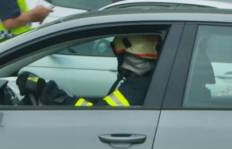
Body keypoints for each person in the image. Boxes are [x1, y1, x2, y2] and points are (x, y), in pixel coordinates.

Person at [18, 34, 161, 108]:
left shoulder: (136, 89)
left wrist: (50, 94)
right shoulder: (149, 82)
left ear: (123, 54)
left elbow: (98, 114)